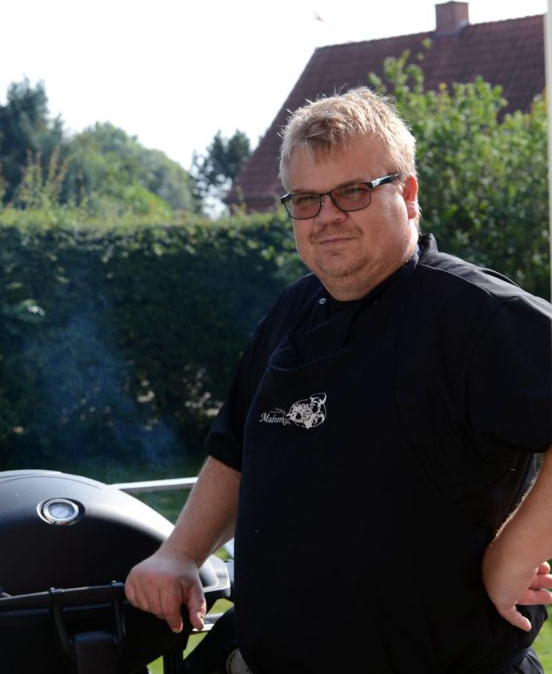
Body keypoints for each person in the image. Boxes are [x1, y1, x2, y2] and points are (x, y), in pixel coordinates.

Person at [125, 87, 552, 673]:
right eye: (306, 200)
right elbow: (235, 452)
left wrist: (513, 557)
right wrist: (180, 552)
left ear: (407, 193)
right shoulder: (293, 312)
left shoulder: (472, 316)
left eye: (352, 192)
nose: (327, 216)